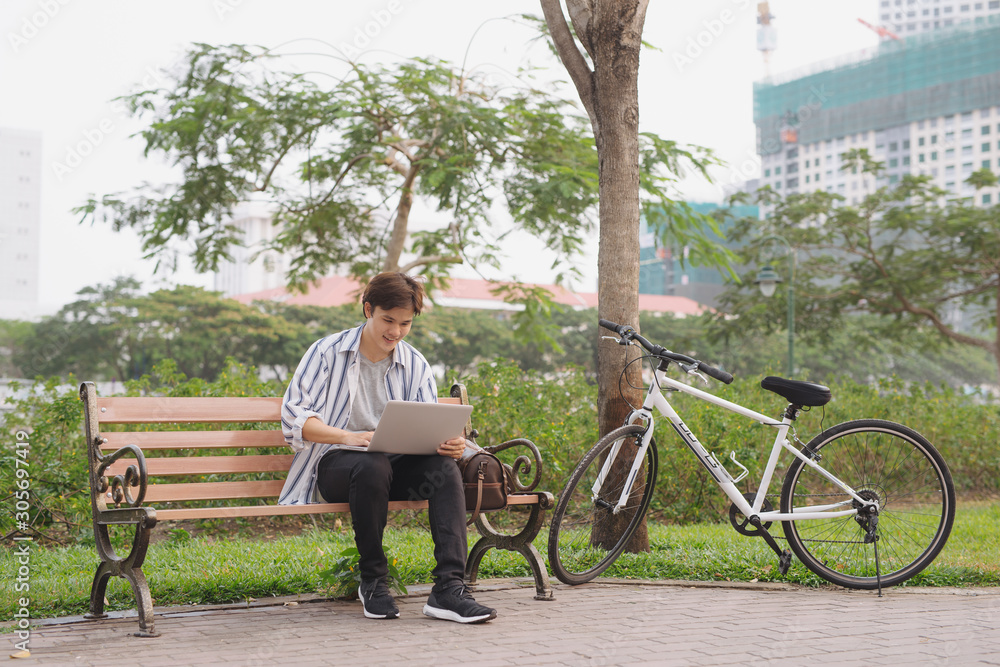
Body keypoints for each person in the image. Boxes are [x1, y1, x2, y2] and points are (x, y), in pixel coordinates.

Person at [278, 272, 496, 624]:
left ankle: (448, 589)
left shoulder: (415, 364)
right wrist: (347, 437)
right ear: (368, 309)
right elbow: (295, 418)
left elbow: (428, 425)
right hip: (337, 467)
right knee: (372, 464)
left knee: (442, 469)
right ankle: (374, 581)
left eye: (405, 323)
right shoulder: (325, 352)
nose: (395, 331)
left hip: (394, 466)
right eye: (388, 320)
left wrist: (450, 444)